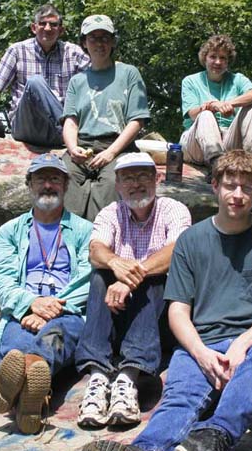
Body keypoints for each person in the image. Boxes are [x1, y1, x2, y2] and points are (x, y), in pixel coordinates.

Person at [84, 150, 252, 451]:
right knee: (179, 398)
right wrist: (199, 352)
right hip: (200, 340)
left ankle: (216, 434)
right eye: (230, 185)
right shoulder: (192, 240)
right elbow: (178, 310)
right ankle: (143, 447)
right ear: (215, 186)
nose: (237, 195)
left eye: (246, 188)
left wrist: (242, 344)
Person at [75, 152, 191, 429]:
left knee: (155, 280)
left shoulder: (174, 209)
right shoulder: (110, 213)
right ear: (117, 184)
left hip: (159, 321)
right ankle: (97, 378)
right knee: (101, 275)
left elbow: (177, 251)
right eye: (128, 178)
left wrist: (129, 278)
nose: (136, 184)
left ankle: (128, 379)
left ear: (156, 179)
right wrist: (115, 263)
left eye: (142, 176)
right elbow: (96, 250)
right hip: (117, 316)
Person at [0, 153, 93, 434]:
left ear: (66, 185)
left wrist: (52, 308)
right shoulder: (8, 231)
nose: (48, 185)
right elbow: (1, 280)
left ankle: (25, 384)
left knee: (54, 337)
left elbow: (87, 280)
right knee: (15, 343)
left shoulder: (85, 230)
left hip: (67, 312)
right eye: (41, 178)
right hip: (24, 313)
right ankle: (33, 396)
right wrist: (31, 304)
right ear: (29, 184)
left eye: (55, 179)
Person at [62, 15, 150, 221]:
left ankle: (98, 240)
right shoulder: (77, 81)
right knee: (62, 178)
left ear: (112, 41)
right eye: (93, 38)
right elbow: (70, 120)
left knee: (112, 183)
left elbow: (137, 120)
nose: (99, 43)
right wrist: (73, 148)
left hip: (117, 146)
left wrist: (110, 153)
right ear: (84, 43)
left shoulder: (129, 73)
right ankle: (68, 238)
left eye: (104, 37)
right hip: (82, 146)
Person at [0, 4, 89, 146]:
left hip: (55, 131)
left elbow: (97, 84)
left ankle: (67, 132)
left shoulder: (73, 53)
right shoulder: (17, 51)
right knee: (35, 82)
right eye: (42, 24)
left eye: (53, 25)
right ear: (34, 28)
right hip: (26, 127)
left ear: (61, 30)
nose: (47, 28)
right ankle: (69, 133)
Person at [180, 35, 252, 180]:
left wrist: (229, 104)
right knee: (205, 114)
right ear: (205, 58)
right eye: (213, 56)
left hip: (228, 142)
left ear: (228, 61)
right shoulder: (190, 81)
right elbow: (192, 114)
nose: (218, 62)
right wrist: (212, 106)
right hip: (196, 145)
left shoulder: (237, 79)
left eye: (223, 58)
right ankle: (216, 167)